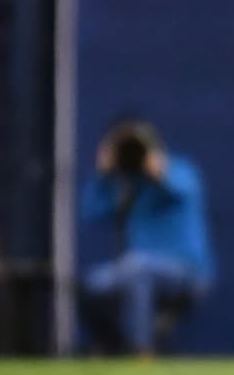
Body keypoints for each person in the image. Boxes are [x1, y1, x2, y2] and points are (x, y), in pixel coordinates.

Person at [80, 119, 213, 356]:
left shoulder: (181, 170)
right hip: (135, 272)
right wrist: (103, 174)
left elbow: (182, 189)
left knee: (138, 267)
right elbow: (89, 211)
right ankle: (115, 347)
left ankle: (140, 351)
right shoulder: (125, 187)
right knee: (92, 285)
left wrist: (159, 172)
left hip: (186, 274)